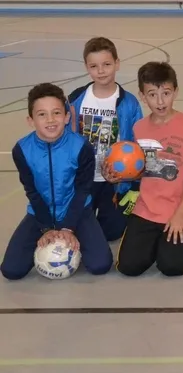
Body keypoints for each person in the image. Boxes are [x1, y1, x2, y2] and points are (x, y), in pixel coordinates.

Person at [1, 83, 113, 280]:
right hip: (40, 213)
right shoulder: (22, 150)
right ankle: (47, 236)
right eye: (42, 114)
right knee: (11, 270)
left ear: (67, 117)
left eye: (56, 113)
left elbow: (82, 190)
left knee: (100, 265)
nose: (50, 120)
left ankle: (78, 235)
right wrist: (46, 228)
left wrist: (68, 227)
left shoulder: (81, 147)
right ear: (30, 120)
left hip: (78, 211)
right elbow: (32, 191)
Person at [111, 62, 183, 277]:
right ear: (143, 96)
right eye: (152, 95)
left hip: (182, 209)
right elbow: (140, 170)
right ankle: (158, 240)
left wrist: (180, 215)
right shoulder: (139, 128)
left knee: (171, 267)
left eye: (166, 93)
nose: (160, 101)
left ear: (176, 92)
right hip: (147, 208)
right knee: (128, 267)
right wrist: (119, 175)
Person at [67, 36, 144, 241]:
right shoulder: (76, 99)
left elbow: (138, 143)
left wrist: (131, 179)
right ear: (87, 67)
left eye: (107, 64)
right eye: (94, 66)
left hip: (114, 180)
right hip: (84, 179)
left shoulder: (129, 103)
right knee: (77, 228)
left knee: (111, 232)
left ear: (117, 64)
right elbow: (66, 138)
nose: (101, 71)